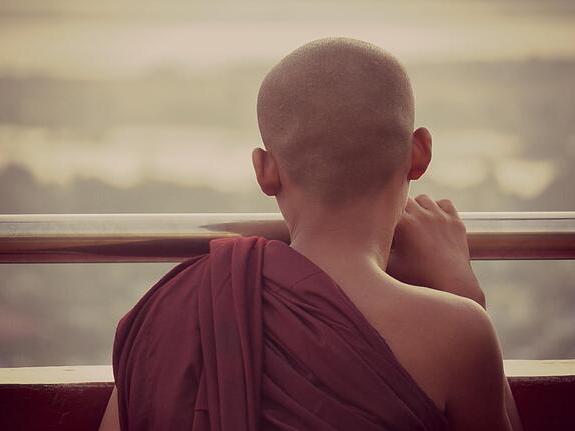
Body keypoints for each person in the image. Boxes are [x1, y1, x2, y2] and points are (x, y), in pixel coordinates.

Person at [99, 37, 523, 431]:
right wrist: (465, 294)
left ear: (265, 171)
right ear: (419, 153)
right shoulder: (456, 334)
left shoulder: (173, 311)